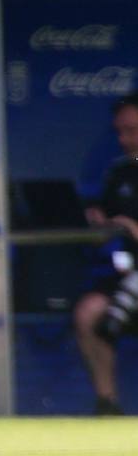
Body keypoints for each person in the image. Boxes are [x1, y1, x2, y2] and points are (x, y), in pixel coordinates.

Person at [76, 94, 138, 415]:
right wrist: (101, 226)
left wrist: (130, 226)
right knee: (89, 313)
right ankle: (107, 402)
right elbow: (107, 232)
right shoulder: (118, 173)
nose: (125, 139)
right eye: (121, 131)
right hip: (125, 275)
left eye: (132, 130)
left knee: (115, 318)